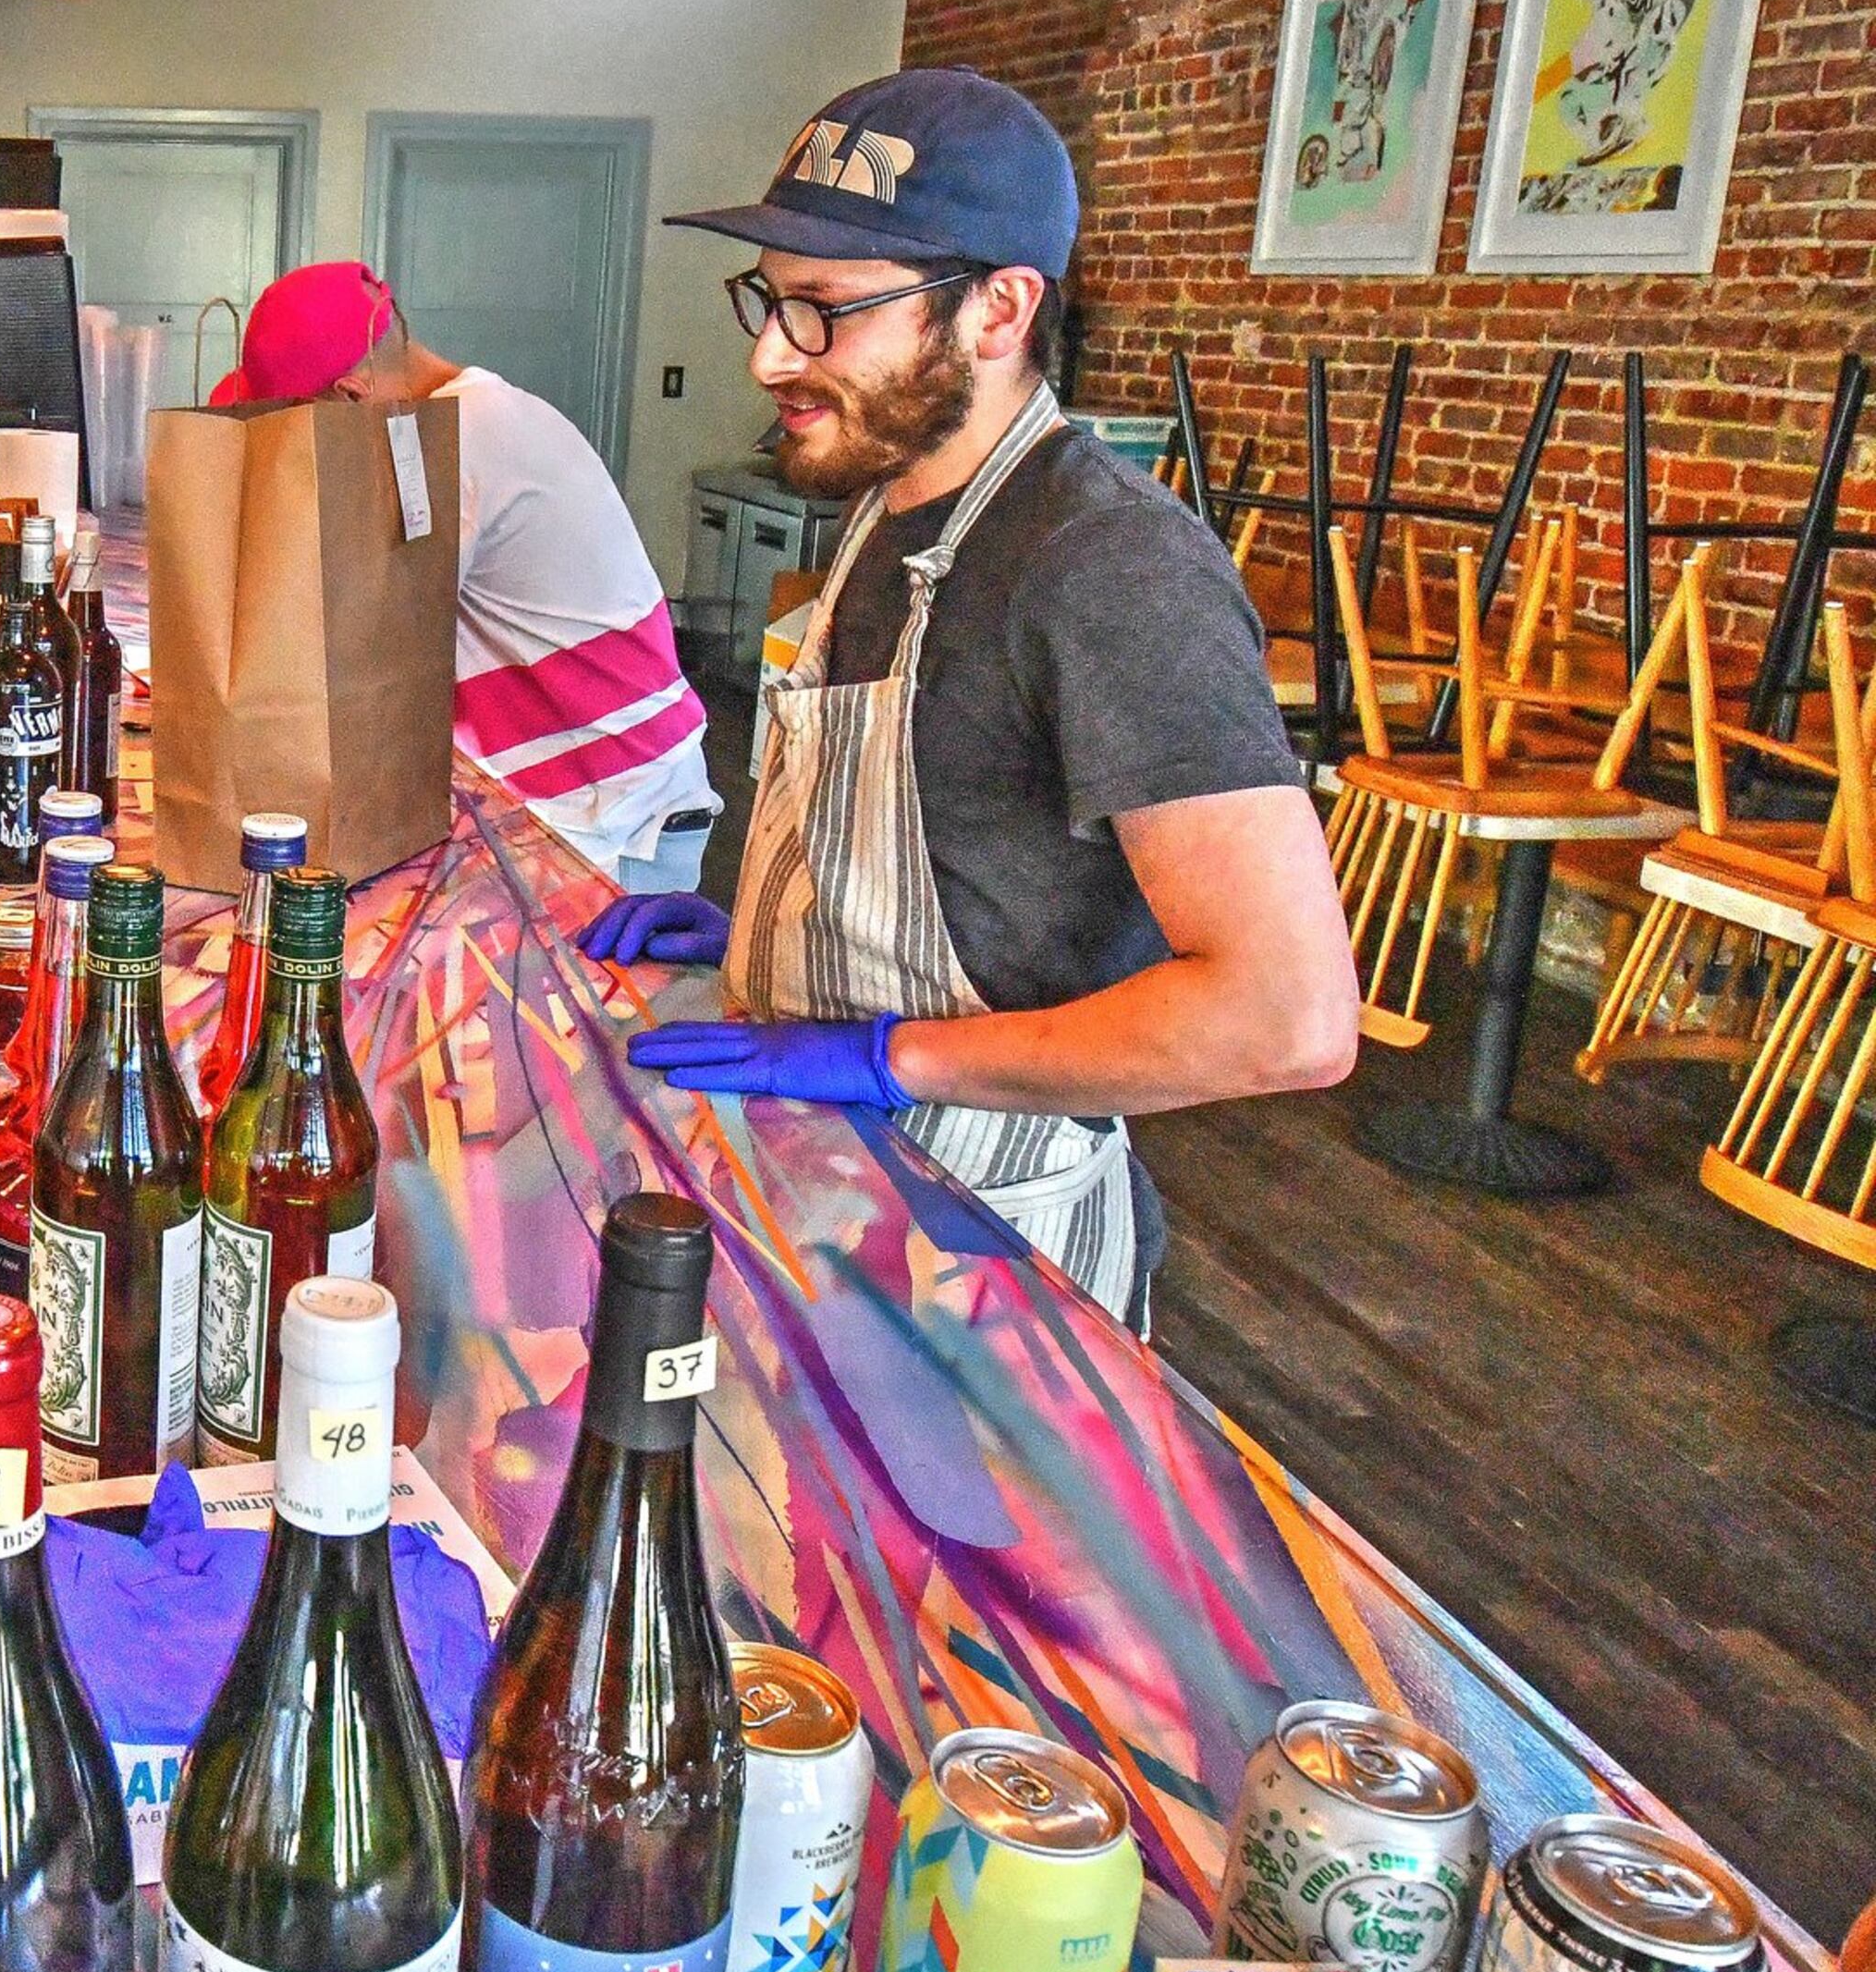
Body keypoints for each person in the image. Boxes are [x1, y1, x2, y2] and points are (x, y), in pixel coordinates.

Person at [590, 67, 1356, 1327]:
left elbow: (1285, 1015)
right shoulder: (888, 502)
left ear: (999, 309)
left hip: (987, 1255)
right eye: (771, 299)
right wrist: (757, 941)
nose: (771, 351)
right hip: (829, 1199)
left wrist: (883, 1054)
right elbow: (966, 846)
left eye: (826, 309)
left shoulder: (1108, 564)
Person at [214, 261, 721, 890]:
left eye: (296, 425)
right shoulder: (471, 417)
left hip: (611, 819)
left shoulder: (453, 442)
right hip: (592, 795)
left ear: (348, 396)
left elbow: (339, 646)